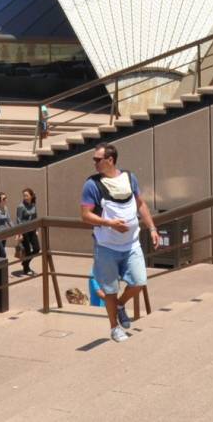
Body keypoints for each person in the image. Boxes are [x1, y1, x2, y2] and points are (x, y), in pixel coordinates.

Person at [81, 143, 158, 342]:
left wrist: (152, 228)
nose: (94, 163)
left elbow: (140, 204)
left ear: (110, 160)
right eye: (94, 159)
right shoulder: (92, 184)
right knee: (110, 290)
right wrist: (109, 223)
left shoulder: (130, 178)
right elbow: (85, 215)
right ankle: (114, 327)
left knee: (139, 281)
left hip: (131, 244)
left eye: (98, 159)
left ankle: (120, 304)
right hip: (106, 246)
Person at [13, 188, 40, 277]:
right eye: (24, 195)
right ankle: (26, 268)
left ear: (31, 196)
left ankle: (25, 262)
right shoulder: (21, 206)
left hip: (32, 230)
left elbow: (35, 217)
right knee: (27, 251)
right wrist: (20, 233)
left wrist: (36, 229)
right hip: (24, 231)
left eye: (27, 195)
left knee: (36, 249)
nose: (25, 197)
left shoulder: (33, 205)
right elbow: (19, 220)